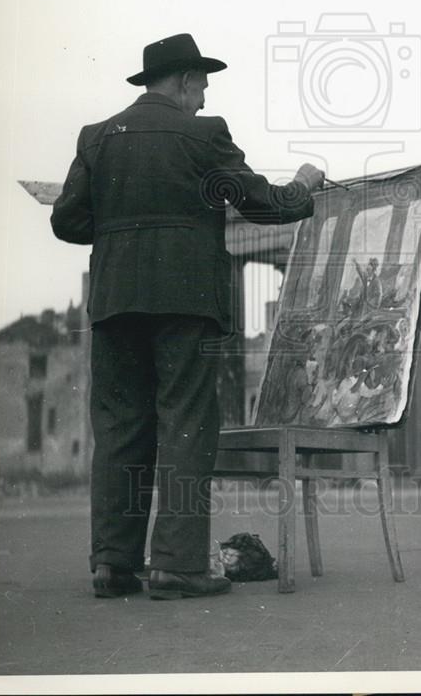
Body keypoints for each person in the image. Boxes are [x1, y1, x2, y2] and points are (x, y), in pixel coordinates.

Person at [51, 33, 324, 600]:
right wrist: (304, 186)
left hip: (115, 302)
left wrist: (122, 226)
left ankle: (113, 563)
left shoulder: (97, 137)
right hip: (185, 300)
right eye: (201, 84)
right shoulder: (204, 135)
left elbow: (68, 222)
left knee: (120, 426)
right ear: (181, 81)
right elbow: (262, 205)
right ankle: (176, 564)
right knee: (185, 422)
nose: (203, 96)